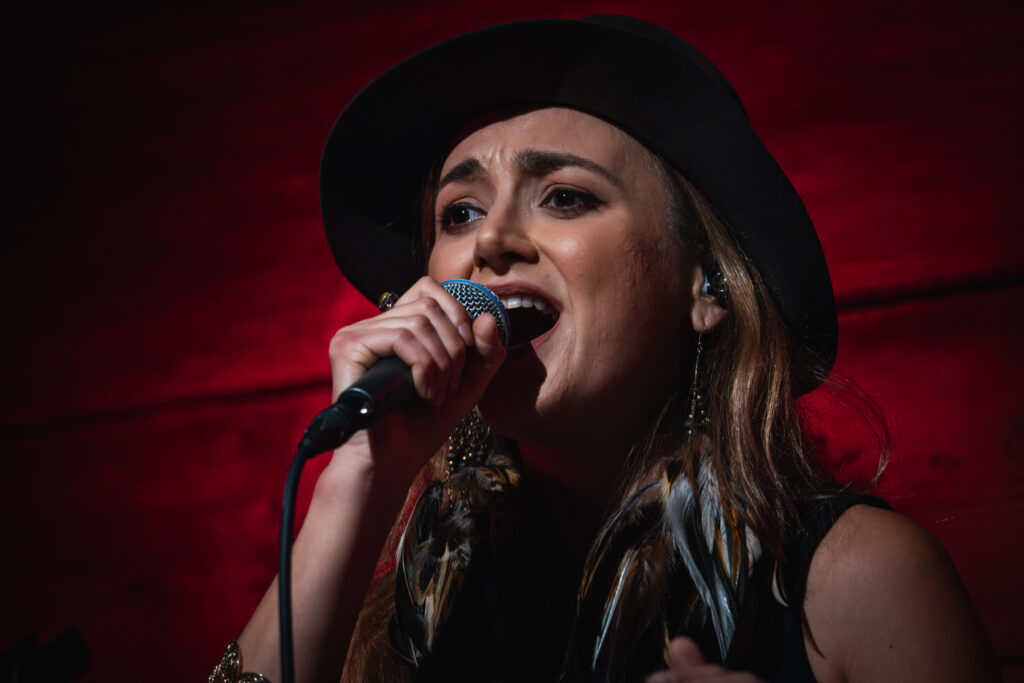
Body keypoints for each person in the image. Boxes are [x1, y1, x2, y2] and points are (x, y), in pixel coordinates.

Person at [212, 16, 1000, 683]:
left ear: (706, 286)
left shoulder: (859, 583)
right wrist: (359, 476)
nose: (491, 239)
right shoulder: (392, 622)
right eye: (459, 213)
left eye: (565, 196)